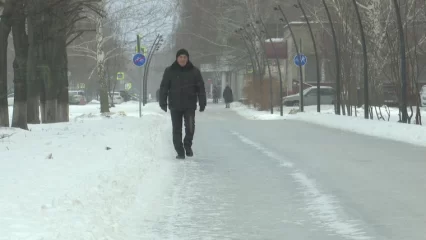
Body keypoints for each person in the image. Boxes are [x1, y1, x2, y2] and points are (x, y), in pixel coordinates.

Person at [159, 49, 207, 159]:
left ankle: (187, 145)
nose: (182, 59)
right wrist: (162, 102)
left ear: (188, 58)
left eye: (185, 57)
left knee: (190, 127)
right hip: (174, 105)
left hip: (189, 105)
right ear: (177, 58)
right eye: (180, 57)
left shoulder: (194, 71)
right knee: (176, 129)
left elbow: (201, 88)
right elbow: (164, 87)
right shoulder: (169, 71)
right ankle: (180, 151)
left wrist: (202, 102)